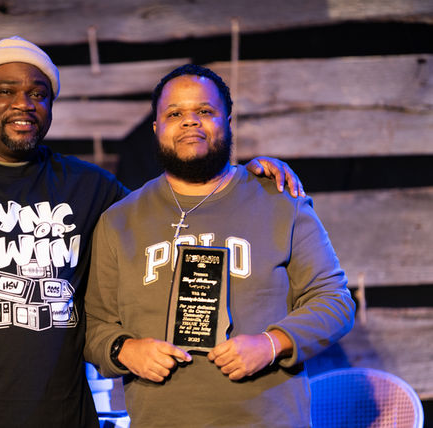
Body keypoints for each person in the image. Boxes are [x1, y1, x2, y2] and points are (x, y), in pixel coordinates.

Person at [0, 37, 304, 427]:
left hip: (64, 418)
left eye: (38, 93)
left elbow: (176, 208)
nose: (23, 103)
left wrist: (239, 177)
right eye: (4, 91)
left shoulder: (88, 187)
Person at [84, 64, 355, 427]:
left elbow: (335, 302)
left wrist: (271, 344)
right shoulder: (119, 221)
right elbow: (94, 324)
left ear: (227, 122)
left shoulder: (280, 202)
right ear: (156, 127)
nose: (190, 121)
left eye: (205, 111)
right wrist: (125, 350)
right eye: (175, 113)